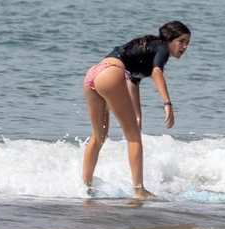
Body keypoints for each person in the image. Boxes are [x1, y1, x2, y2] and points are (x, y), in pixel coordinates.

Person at [80, 21, 191, 197]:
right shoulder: (161, 47)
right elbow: (157, 73)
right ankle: (139, 190)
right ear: (169, 39)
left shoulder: (147, 51)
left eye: (187, 43)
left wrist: (138, 116)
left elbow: (133, 82)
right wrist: (167, 104)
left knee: (99, 136)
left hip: (93, 74)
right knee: (134, 138)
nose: (185, 46)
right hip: (111, 74)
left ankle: (84, 187)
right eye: (182, 41)